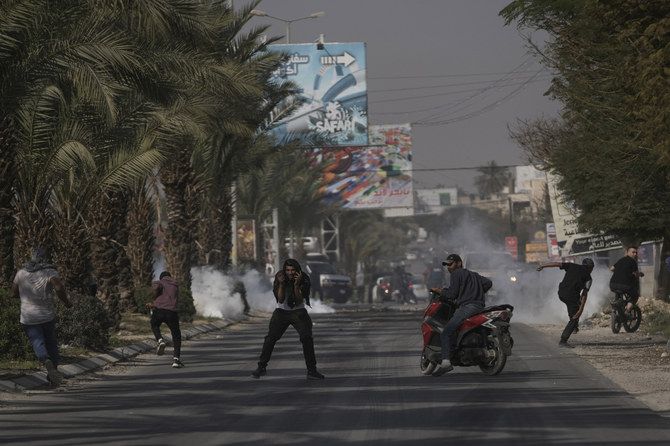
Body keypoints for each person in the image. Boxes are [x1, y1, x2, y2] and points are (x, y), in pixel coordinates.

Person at [251, 258, 324, 380]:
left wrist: (296, 285)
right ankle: (261, 367)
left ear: (297, 271)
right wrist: (281, 284)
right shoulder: (280, 277)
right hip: (281, 312)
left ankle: (312, 370)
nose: (290, 273)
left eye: (293, 270)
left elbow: (300, 300)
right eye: (288, 270)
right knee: (270, 338)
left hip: (298, 312)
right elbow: (279, 299)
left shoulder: (304, 279)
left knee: (306, 338)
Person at [11, 247, 73, 386]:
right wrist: (66, 302)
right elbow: (58, 287)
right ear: (45, 258)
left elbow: (13, 294)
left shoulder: (21, 273)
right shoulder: (50, 271)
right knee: (51, 342)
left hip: (28, 317)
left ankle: (46, 361)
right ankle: (54, 372)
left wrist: (25, 295)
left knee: (38, 342)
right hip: (47, 315)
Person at [429, 253, 492, 376]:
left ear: (459, 263)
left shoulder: (457, 274)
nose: (449, 267)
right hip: (479, 307)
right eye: (447, 265)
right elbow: (488, 283)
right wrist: (477, 291)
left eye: (450, 264)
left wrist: (439, 291)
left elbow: (452, 294)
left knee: (446, 333)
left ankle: (446, 363)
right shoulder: (473, 275)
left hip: (467, 308)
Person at [536, 258, 594, 348]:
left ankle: (574, 326)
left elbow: (556, 264)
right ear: (591, 268)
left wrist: (542, 266)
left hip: (561, 293)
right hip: (571, 296)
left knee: (574, 306)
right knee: (575, 317)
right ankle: (563, 340)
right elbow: (584, 294)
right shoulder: (589, 278)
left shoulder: (572, 265)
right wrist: (581, 310)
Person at [147, 271, 184, 368]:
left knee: (154, 324)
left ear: (161, 277)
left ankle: (160, 340)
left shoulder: (159, 282)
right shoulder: (175, 285)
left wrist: (153, 299)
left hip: (159, 310)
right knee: (176, 335)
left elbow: (155, 288)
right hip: (172, 312)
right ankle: (176, 359)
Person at [609, 247, 642, 315]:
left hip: (612, 284)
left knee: (618, 296)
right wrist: (640, 274)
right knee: (635, 296)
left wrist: (619, 272)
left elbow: (612, 268)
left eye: (636, 252)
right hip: (625, 285)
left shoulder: (621, 260)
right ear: (628, 252)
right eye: (633, 252)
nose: (635, 254)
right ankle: (626, 311)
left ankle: (618, 313)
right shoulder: (632, 261)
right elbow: (636, 274)